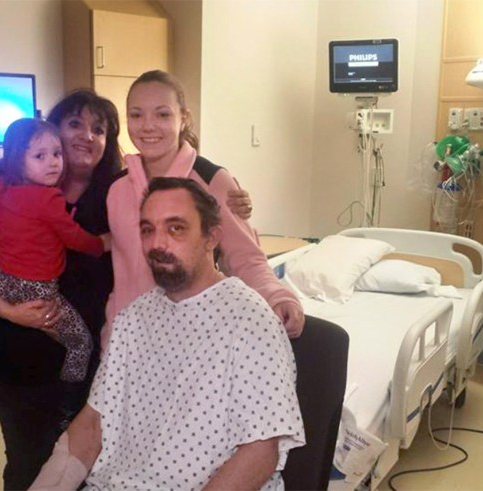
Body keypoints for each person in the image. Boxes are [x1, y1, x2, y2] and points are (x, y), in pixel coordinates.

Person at [0, 89, 254, 490]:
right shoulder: (16, 190)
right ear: (50, 132)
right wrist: (11, 312)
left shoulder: (121, 193)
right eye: (75, 124)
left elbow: (181, 198)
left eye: (100, 129)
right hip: (18, 365)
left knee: (89, 471)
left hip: (93, 368)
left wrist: (227, 192)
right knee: (29, 467)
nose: (86, 136)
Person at [30, 177, 305, 491]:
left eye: (176, 228)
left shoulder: (248, 320)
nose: (157, 243)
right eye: (148, 229)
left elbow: (260, 452)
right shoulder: (135, 318)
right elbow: (94, 423)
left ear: (211, 237)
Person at [103, 69, 304, 350]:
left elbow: (245, 257)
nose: (147, 125)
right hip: (126, 342)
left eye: (162, 114)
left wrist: (277, 296)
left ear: (183, 117)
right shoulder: (116, 189)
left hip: (193, 342)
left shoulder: (212, 181)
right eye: (136, 115)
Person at [0, 118, 109, 383]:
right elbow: (74, 238)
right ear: (17, 161)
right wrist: (102, 244)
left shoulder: (3, 187)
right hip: (38, 289)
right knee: (80, 343)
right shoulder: (49, 199)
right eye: (40, 156)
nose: (53, 162)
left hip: (2, 279)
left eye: (56, 154)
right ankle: (69, 400)